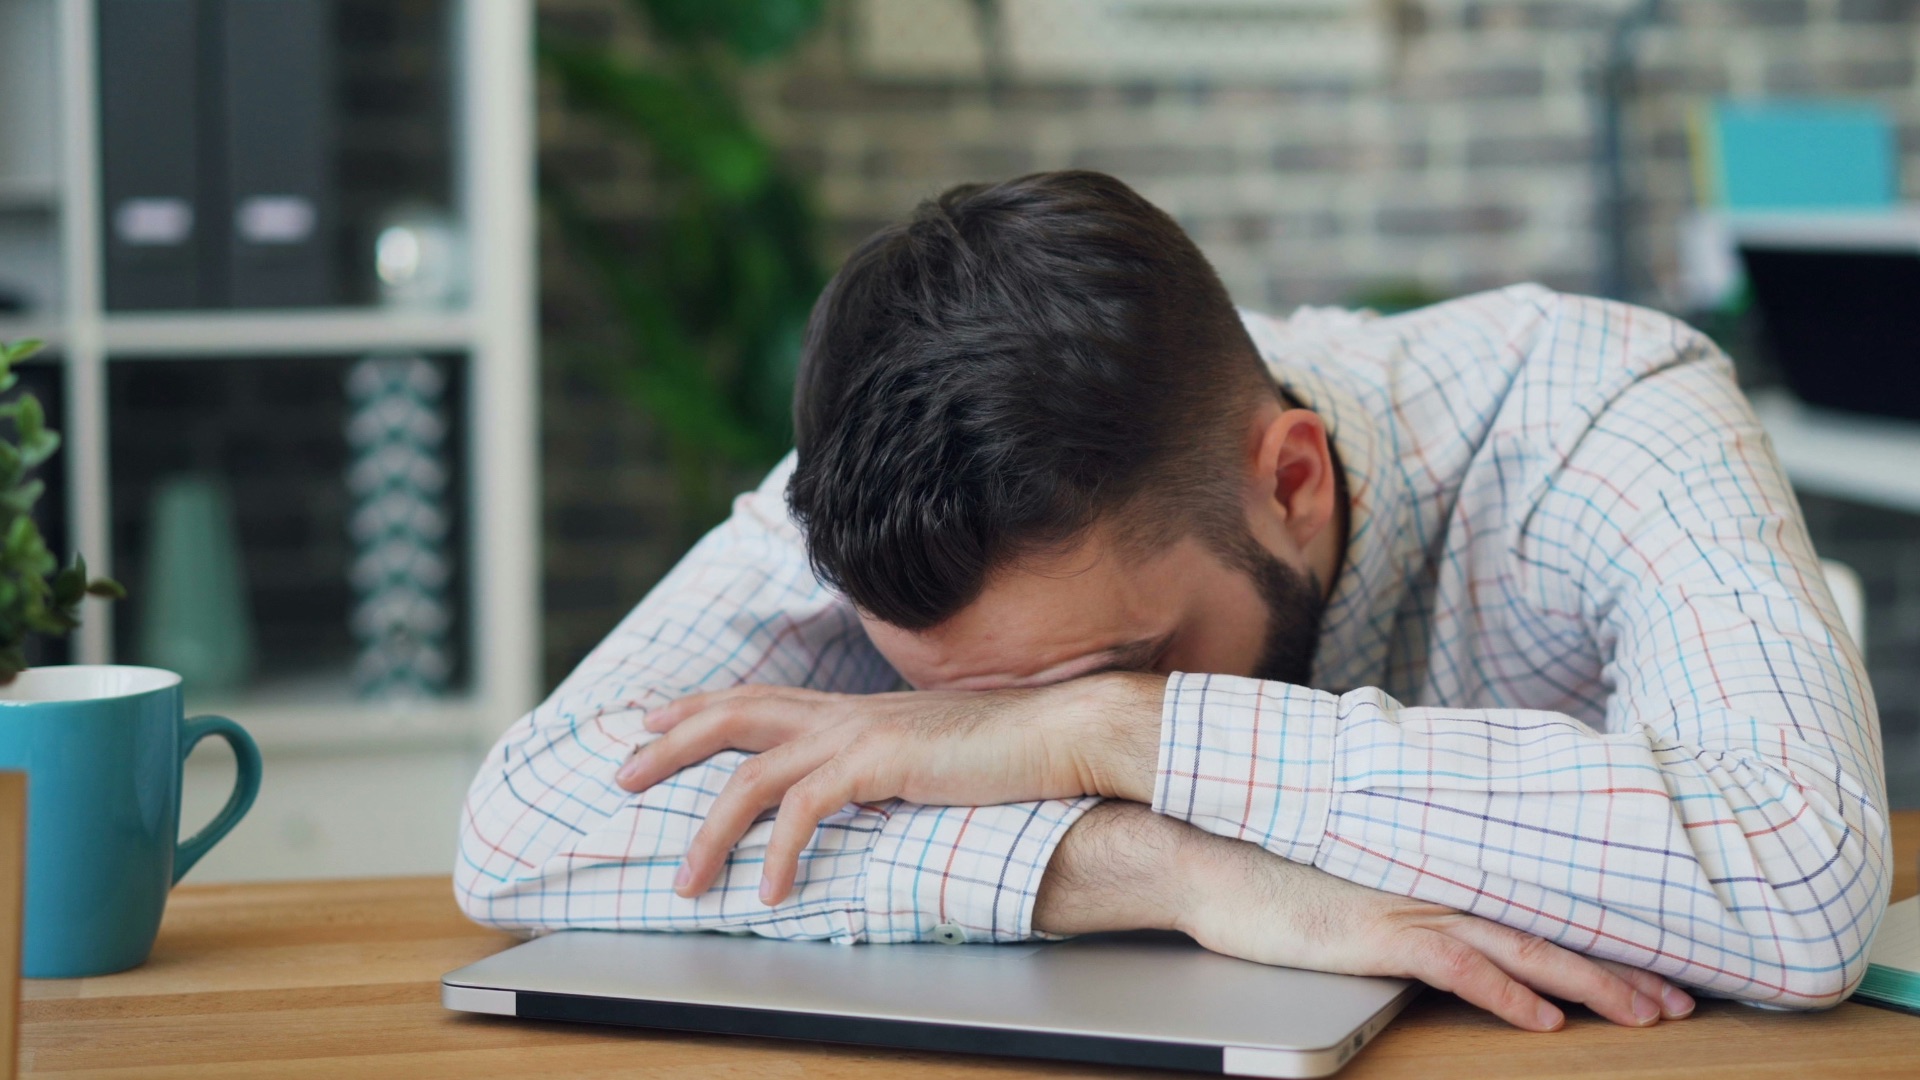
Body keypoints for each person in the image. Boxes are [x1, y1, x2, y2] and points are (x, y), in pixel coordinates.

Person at [457, 171, 1888, 1032]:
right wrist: (1158, 869)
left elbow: (1801, 877)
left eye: (1101, 667)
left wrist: (1113, 735)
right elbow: (523, 826)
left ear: (1293, 479)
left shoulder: (1604, 408)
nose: (998, 741)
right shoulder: (885, 483)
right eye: (967, 706)